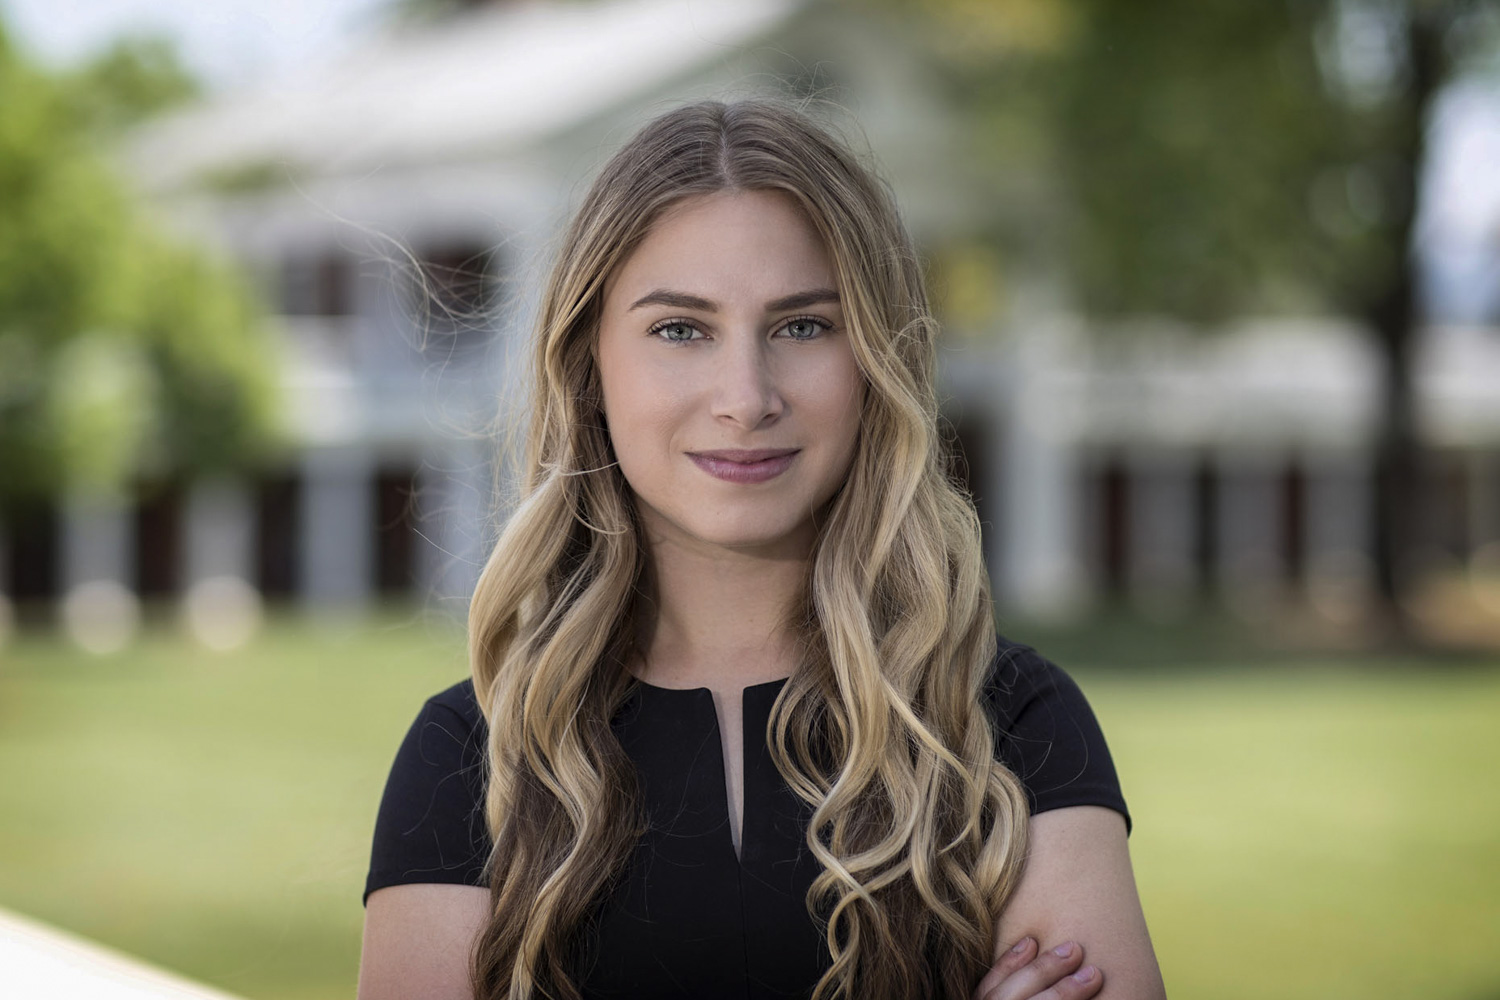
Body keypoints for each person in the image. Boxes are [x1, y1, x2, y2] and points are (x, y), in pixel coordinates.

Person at [357, 99, 1166, 1000]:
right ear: (589, 364)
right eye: (680, 329)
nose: (746, 396)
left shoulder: (1009, 728)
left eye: (804, 326)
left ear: (876, 361)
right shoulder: (475, 759)